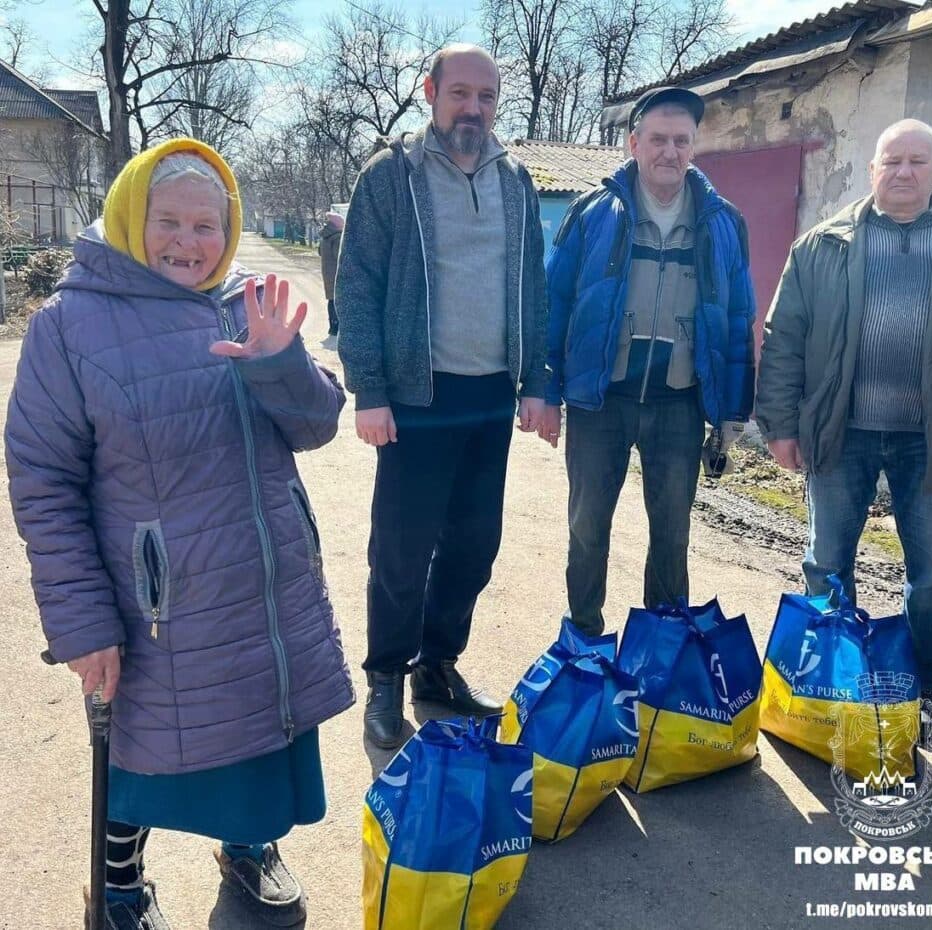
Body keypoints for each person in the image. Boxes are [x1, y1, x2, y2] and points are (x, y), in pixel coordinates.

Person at [5, 137, 355, 929]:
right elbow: (43, 479)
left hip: (260, 588)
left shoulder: (247, 300)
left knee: (258, 731)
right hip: (154, 604)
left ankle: (247, 847)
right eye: (170, 221)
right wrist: (83, 622)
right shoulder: (70, 325)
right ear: (133, 216)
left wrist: (279, 362)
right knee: (145, 748)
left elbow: (315, 426)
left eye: (207, 226)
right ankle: (120, 885)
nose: (188, 244)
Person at [756, 119, 932, 751]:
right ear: (872, 169)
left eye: (916, 162)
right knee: (827, 562)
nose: (903, 173)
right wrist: (781, 424)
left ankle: (924, 690)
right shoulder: (823, 246)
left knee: (931, 572)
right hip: (839, 433)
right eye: (891, 161)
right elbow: (784, 337)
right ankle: (825, 687)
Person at [337, 44, 548, 749]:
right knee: (400, 551)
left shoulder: (516, 180)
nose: (474, 108)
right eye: (460, 93)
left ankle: (437, 667)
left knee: (473, 548)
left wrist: (537, 378)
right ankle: (385, 681)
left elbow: (532, 284)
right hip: (416, 398)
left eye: (486, 96)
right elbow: (359, 283)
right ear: (430, 92)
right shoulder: (391, 176)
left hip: (488, 397)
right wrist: (369, 388)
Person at [541, 86, 755, 635]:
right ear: (634, 143)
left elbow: (736, 322)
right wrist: (542, 385)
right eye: (658, 139)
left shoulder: (722, 223)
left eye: (681, 140)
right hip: (600, 399)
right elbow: (554, 302)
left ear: (693, 147)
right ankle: (584, 637)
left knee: (672, 533)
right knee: (587, 526)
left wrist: (732, 410)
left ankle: (659, 643)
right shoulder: (593, 213)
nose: (670, 151)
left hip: (679, 404)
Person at [318, 210, 345, 336]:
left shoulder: (325, 237)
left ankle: (332, 326)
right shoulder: (338, 237)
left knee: (331, 299)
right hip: (336, 273)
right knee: (338, 299)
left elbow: (319, 252)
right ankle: (337, 326)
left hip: (327, 271)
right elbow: (339, 256)